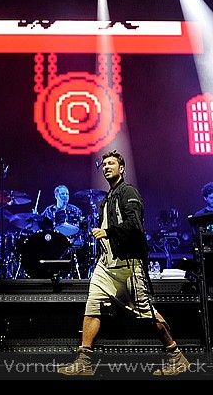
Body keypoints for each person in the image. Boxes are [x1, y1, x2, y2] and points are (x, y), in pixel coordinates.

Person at [58, 150, 190, 376]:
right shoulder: (107, 199)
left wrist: (107, 232)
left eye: (111, 163)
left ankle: (176, 356)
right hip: (105, 266)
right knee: (92, 308)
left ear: (122, 169)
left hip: (128, 265)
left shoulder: (129, 192)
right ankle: (84, 362)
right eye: (104, 164)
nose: (107, 167)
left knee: (146, 313)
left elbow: (135, 225)